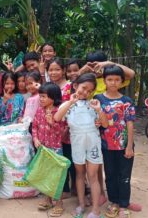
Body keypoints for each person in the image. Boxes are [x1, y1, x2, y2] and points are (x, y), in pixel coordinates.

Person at [54, 73, 108, 218]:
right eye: (84, 88)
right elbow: (57, 117)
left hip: (93, 142)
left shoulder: (94, 105)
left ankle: (95, 209)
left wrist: (99, 111)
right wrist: (70, 102)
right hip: (76, 142)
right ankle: (82, 204)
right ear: (75, 85)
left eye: (89, 91)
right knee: (79, 174)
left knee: (92, 176)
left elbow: (105, 124)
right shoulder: (68, 104)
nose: (85, 92)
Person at [94, 65, 136, 218]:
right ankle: (114, 202)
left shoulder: (127, 101)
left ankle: (124, 204)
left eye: (117, 80)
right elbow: (95, 120)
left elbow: (130, 123)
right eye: (110, 79)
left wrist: (129, 146)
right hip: (106, 146)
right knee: (110, 175)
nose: (113, 82)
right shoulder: (98, 99)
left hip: (124, 145)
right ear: (104, 81)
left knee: (124, 175)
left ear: (122, 82)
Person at [32, 82, 66, 217]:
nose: (41, 99)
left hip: (56, 149)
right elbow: (34, 126)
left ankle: (59, 203)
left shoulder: (59, 111)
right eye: (40, 96)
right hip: (42, 149)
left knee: (56, 177)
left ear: (53, 97)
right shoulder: (39, 110)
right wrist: (35, 139)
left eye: (44, 96)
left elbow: (62, 132)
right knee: (45, 175)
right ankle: (47, 199)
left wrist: (52, 123)